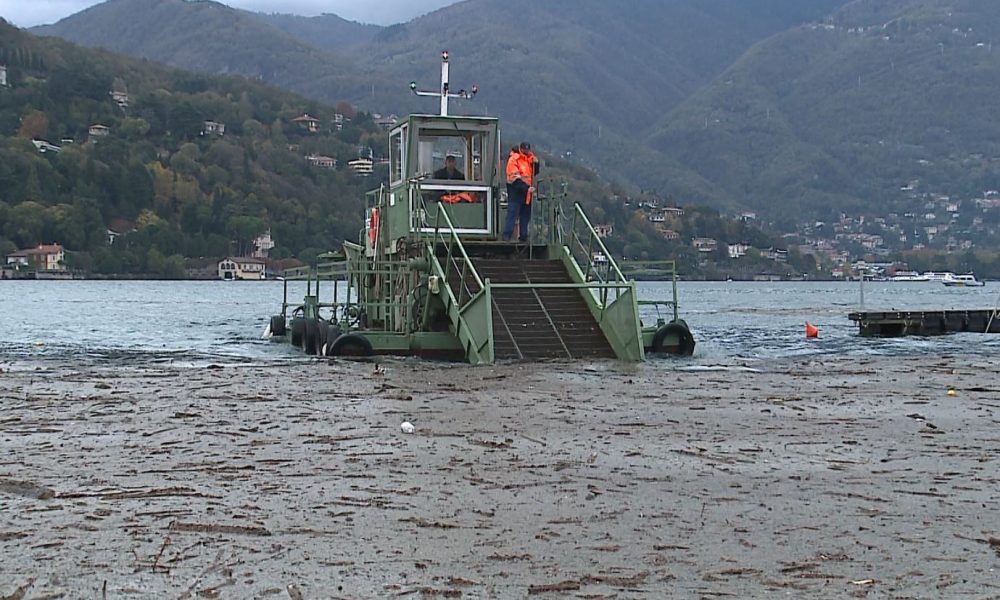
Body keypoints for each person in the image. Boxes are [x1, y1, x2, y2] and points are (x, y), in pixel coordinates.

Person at [503, 142, 540, 242]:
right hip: (515, 191)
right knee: (513, 213)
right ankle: (507, 236)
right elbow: (513, 178)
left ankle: (523, 237)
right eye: (525, 150)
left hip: (526, 193)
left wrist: (536, 164)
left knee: (525, 215)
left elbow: (533, 173)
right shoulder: (514, 159)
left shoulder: (529, 159)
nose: (527, 152)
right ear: (521, 149)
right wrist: (526, 188)